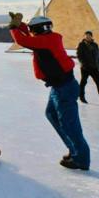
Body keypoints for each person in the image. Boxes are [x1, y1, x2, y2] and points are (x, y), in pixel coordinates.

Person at [9, 12, 90, 170]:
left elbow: (23, 39)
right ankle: (75, 150)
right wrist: (20, 26)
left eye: (33, 30)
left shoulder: (45, 41)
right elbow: (30, 34)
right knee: (51, 114)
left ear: (38, 30)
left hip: (64, 88)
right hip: (60, 87)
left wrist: (14, 27)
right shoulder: (48, 38)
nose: (32, 32)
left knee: (70, 125)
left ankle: (81, 159)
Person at [77, 31, 99, 106]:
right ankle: (81, 97)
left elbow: (96, 56)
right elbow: (79, 56)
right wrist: (84, 64)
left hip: (94, 67)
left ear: (91, 36)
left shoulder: (95, 45)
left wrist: (98, 64)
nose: (88, 37)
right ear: (84, 36)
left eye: (89, 35)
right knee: (83, 82)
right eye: (86, 35)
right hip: (85, 68)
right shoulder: (81, 45)